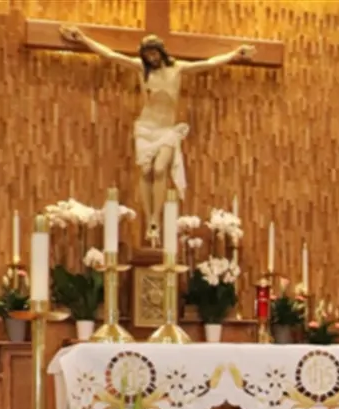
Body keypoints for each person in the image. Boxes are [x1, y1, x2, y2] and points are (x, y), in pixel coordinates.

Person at [59, 26, 252, 245]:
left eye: (154, 52)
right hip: (146, 128)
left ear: (161, 51)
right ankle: (151, 220)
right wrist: (84, 39)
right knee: (147, 169)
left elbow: (207, 64)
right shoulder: (141, 69)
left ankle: (154, 220)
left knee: (160, 169)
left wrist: (234, 55)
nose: (151, 57)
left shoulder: (177, 69)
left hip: (167, 130)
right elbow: (111, 55)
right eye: (147, 54)